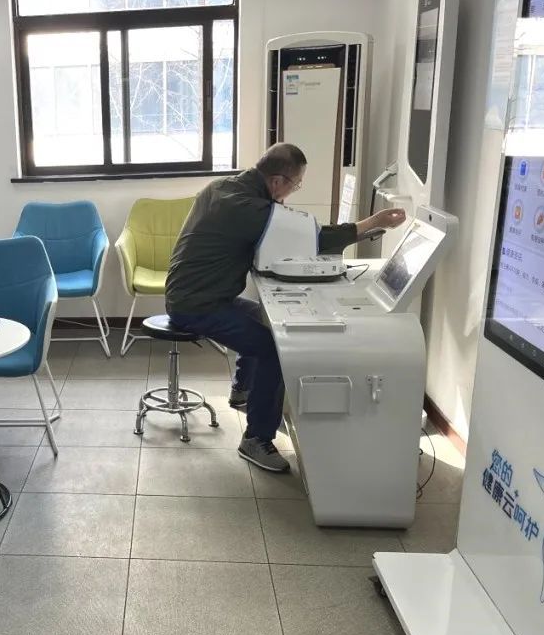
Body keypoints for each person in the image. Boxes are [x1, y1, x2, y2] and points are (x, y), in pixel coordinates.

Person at [166, 143, 406, 473]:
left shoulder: (223, 187)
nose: (293, 191)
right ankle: (256, 439)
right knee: (272, 347)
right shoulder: (247, 207)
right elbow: (315, 238)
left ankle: (243, 391)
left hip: (198, 294)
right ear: (277, 181)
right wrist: (372, 223)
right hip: (197, 304)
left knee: (262, 321)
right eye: (296, 184)